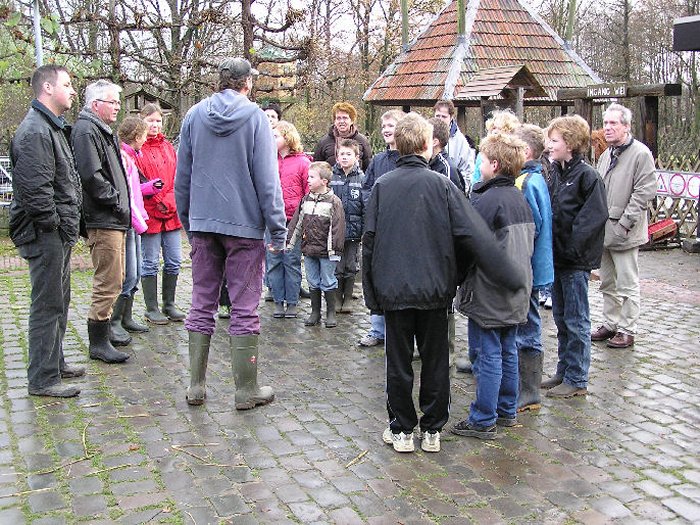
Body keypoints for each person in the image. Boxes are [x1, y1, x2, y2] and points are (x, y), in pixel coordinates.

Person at [363, 113, 528, 453]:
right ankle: (432, 429)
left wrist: (372, 294)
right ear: (427, 145)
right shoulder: (443, 186)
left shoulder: (383, 185)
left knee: (399, 363)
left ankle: (402, 429)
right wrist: (487, 275)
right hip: (435, 291)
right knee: (436, 361)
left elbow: (370, 243)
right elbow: (474, 237)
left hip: (395, 291)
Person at [175, 57, 287, 409]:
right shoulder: (255, 117)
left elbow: (182, 177)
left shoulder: (194, 116)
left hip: (204, 224)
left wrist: (189, 223)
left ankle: (196, 386)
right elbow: (268, 181)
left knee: (201, 302)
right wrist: (277, 230)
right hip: (244, 228)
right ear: (247, 83)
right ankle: (245, 391)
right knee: (244, 307)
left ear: (220, 81)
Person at [451, 132, 534, 440]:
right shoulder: (518, 198)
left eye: (482, 160)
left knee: (488, 355)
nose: (478, 164)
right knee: (508, 349)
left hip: (490, 291)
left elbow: (470, 245)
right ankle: (506, 409)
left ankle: (483, 417)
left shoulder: (487, 201)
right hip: (516, 289)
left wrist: (456, 276)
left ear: (495, 164)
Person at [9, 65, 85, 397]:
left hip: (57, 233)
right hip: (44, 234)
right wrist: (55, 226)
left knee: (60, 299)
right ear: (48, 88)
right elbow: (36, 193)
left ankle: (55, 362)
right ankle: (42, 378)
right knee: (47, 304)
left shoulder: (50, 127)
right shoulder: (35, 132)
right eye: (67, 84)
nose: (72, 90)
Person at [541, 115, 608, 398]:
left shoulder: (587, 177)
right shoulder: (556, 173)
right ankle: (564, 370)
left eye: (554, 140)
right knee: (560, 317)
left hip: (574, 262)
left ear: (570, 143)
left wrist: (571, 250)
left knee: (577, 320)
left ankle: (577, 378)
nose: (549, 145)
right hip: (557, 259)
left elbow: (592, 220)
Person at [72, 79, 131, 364]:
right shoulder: (86, 130)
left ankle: (105, 332)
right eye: (113, 102)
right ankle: (98, 342)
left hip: (113, 218)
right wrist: (116, 202)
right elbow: (91, 175)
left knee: (116, 278)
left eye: (118, 102)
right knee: (107, 280)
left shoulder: (101, 130)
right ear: (96, 105)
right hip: (104, 218)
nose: (118, 107)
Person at [592, 103, 657, 349]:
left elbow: (644, 192)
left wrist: (625, 224)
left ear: (626, 126)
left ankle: (627, 329)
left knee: (627, 283)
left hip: (625, 232)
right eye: (605, 123)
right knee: (607, 281)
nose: (607, 128)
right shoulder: (606, 155)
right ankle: (610, 323)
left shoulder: (640, 154)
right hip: (605, 231)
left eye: (613, 123)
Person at [512, 124, 554, 412]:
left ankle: (528, 392)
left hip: (527, 267)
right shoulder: (535, 177)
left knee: (527, 326)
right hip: (532, 266)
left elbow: (529, 229)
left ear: (525, 151)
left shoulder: (526, 182)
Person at [113, 116, 163, 341]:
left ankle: (127, 317)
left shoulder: (132, 157)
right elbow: (128, 195)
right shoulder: (123, 158)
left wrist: (149, 188)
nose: (145, 139)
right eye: (143, 135)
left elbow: (135, 190)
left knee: (136, 272)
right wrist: (140, 222)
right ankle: (115, 321)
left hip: (135, 221)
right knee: (128, 273)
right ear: (136, 136)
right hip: (129, 223)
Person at [136, 103, 186, 325]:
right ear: (142, 121)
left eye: (158, 120)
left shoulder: (168, 147)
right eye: (150, 121)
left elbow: (178, 177)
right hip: (150, 214)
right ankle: (152, 308)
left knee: (174, 260)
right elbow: (138, 181)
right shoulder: (138, 149)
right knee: (150, 262)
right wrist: (158, 201)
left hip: (171, 213)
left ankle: (169, 304)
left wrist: (171, 201)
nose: (154, 125)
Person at [358, 109, 404, 348]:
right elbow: (366, 189)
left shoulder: (407, 159)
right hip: (378, 228)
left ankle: (398, 330)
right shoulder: (378, 160)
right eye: (384, 126)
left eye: (391, 125)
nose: (386, 129)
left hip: (400, 230)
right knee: (375, 276)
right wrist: (375, 207)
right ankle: (377, 329)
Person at [287, 162, 345, 328]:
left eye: (312, 177)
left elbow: (338, 228)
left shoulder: (334, 202)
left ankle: (331, 313)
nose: (308, 180)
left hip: (327, 252)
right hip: (309, 249)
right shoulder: (305, 200)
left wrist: (334, 250)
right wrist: (290, 243)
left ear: (324, 181)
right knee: (312, 280)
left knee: (328, 280)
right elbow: (297, 223)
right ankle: (315, 312)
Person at [269, 120, 310, 319]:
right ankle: (278, 301)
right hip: (272, 220)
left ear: (287, 137)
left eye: (276, 136)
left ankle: (292, 302)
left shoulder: (303, 162)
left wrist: (305, 220)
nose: (272, 139)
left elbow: (308, 193)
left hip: (294, 220)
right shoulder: (268, 160)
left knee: (292, 261)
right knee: (274, 261)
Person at [330, 139, 367, 314]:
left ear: (356, 157)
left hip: (354, 229)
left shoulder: (362, 179)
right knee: (337, 264)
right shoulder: (331, 177)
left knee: (351, 264)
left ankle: (348, 298)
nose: (344, 157)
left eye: (348, 154)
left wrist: (365, 229)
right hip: (335, 230)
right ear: (337, 157)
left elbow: (365, 206)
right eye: (342, 154)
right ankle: (337, 298)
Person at [313, 102, 372, 171]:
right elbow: (317, 169)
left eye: (345, 118)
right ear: (334, 121)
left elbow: (368, 168)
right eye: (338, 118)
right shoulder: (324, 142)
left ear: (352, 120)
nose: (341, 121)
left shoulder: (362, 141)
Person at [433, 99, 474, 184]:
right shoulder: (426, 135)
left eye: (444, 117)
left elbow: (467, 171)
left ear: (451, 117)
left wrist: (459, 189)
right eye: (438, 116)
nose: (440, 119)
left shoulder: (460, 141)